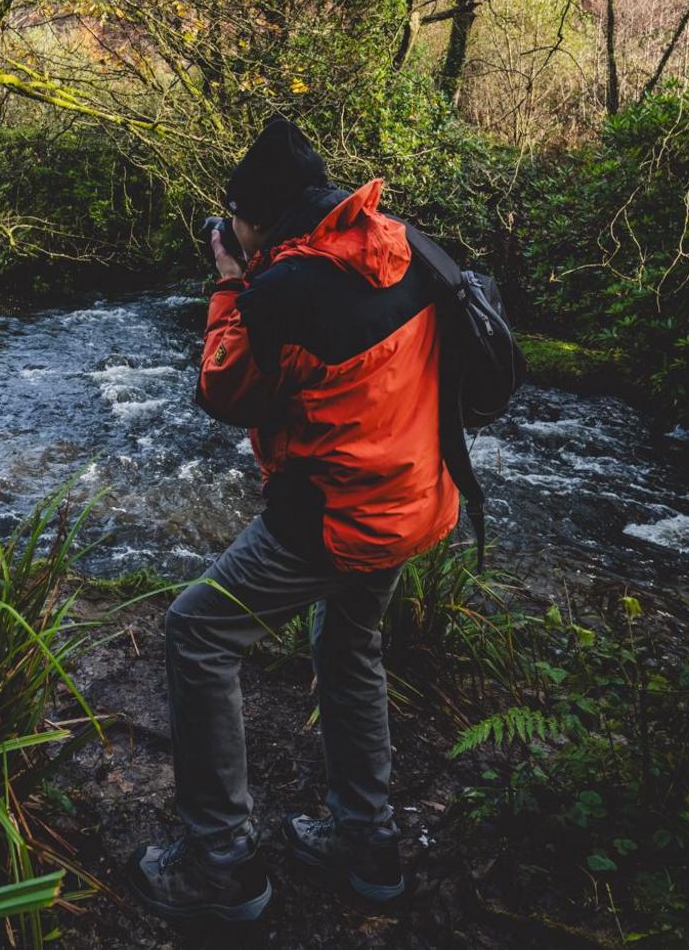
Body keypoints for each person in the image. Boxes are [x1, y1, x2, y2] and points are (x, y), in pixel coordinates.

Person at [128, 117, 459, 923]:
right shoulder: (401, 242)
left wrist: (228, 282)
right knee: (349, 645)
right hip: (418, 495)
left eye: (232, 218)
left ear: (258, 219)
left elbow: (223, 392)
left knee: (198, 632)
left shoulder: (278, 292)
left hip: (341, 516)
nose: (225, 229)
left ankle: (220, 864)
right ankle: (367, 844)